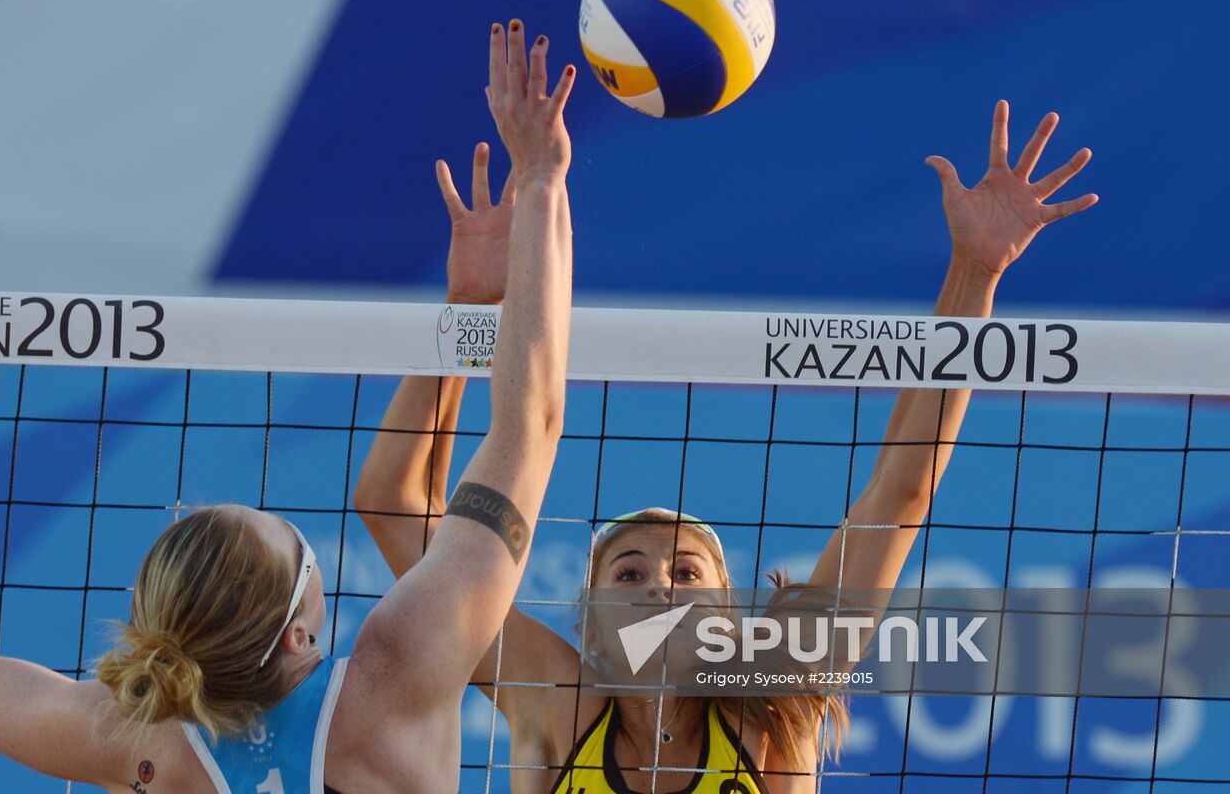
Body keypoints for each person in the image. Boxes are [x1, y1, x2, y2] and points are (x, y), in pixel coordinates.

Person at [0, 19, 575, 794]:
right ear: (299, 633)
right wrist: (542, 182)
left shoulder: (139, 743)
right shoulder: (395, 673)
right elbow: (530, 423)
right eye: (297, 545)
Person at [353, 101, 1098, 793]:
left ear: (730, 620)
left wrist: (975, 273)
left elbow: (901, 494)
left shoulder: (774, 711)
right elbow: (394, 504)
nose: (660, 586)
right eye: (631, 570)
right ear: (588, 618)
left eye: (685, 571)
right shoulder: (555, 700)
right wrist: (472, 314)